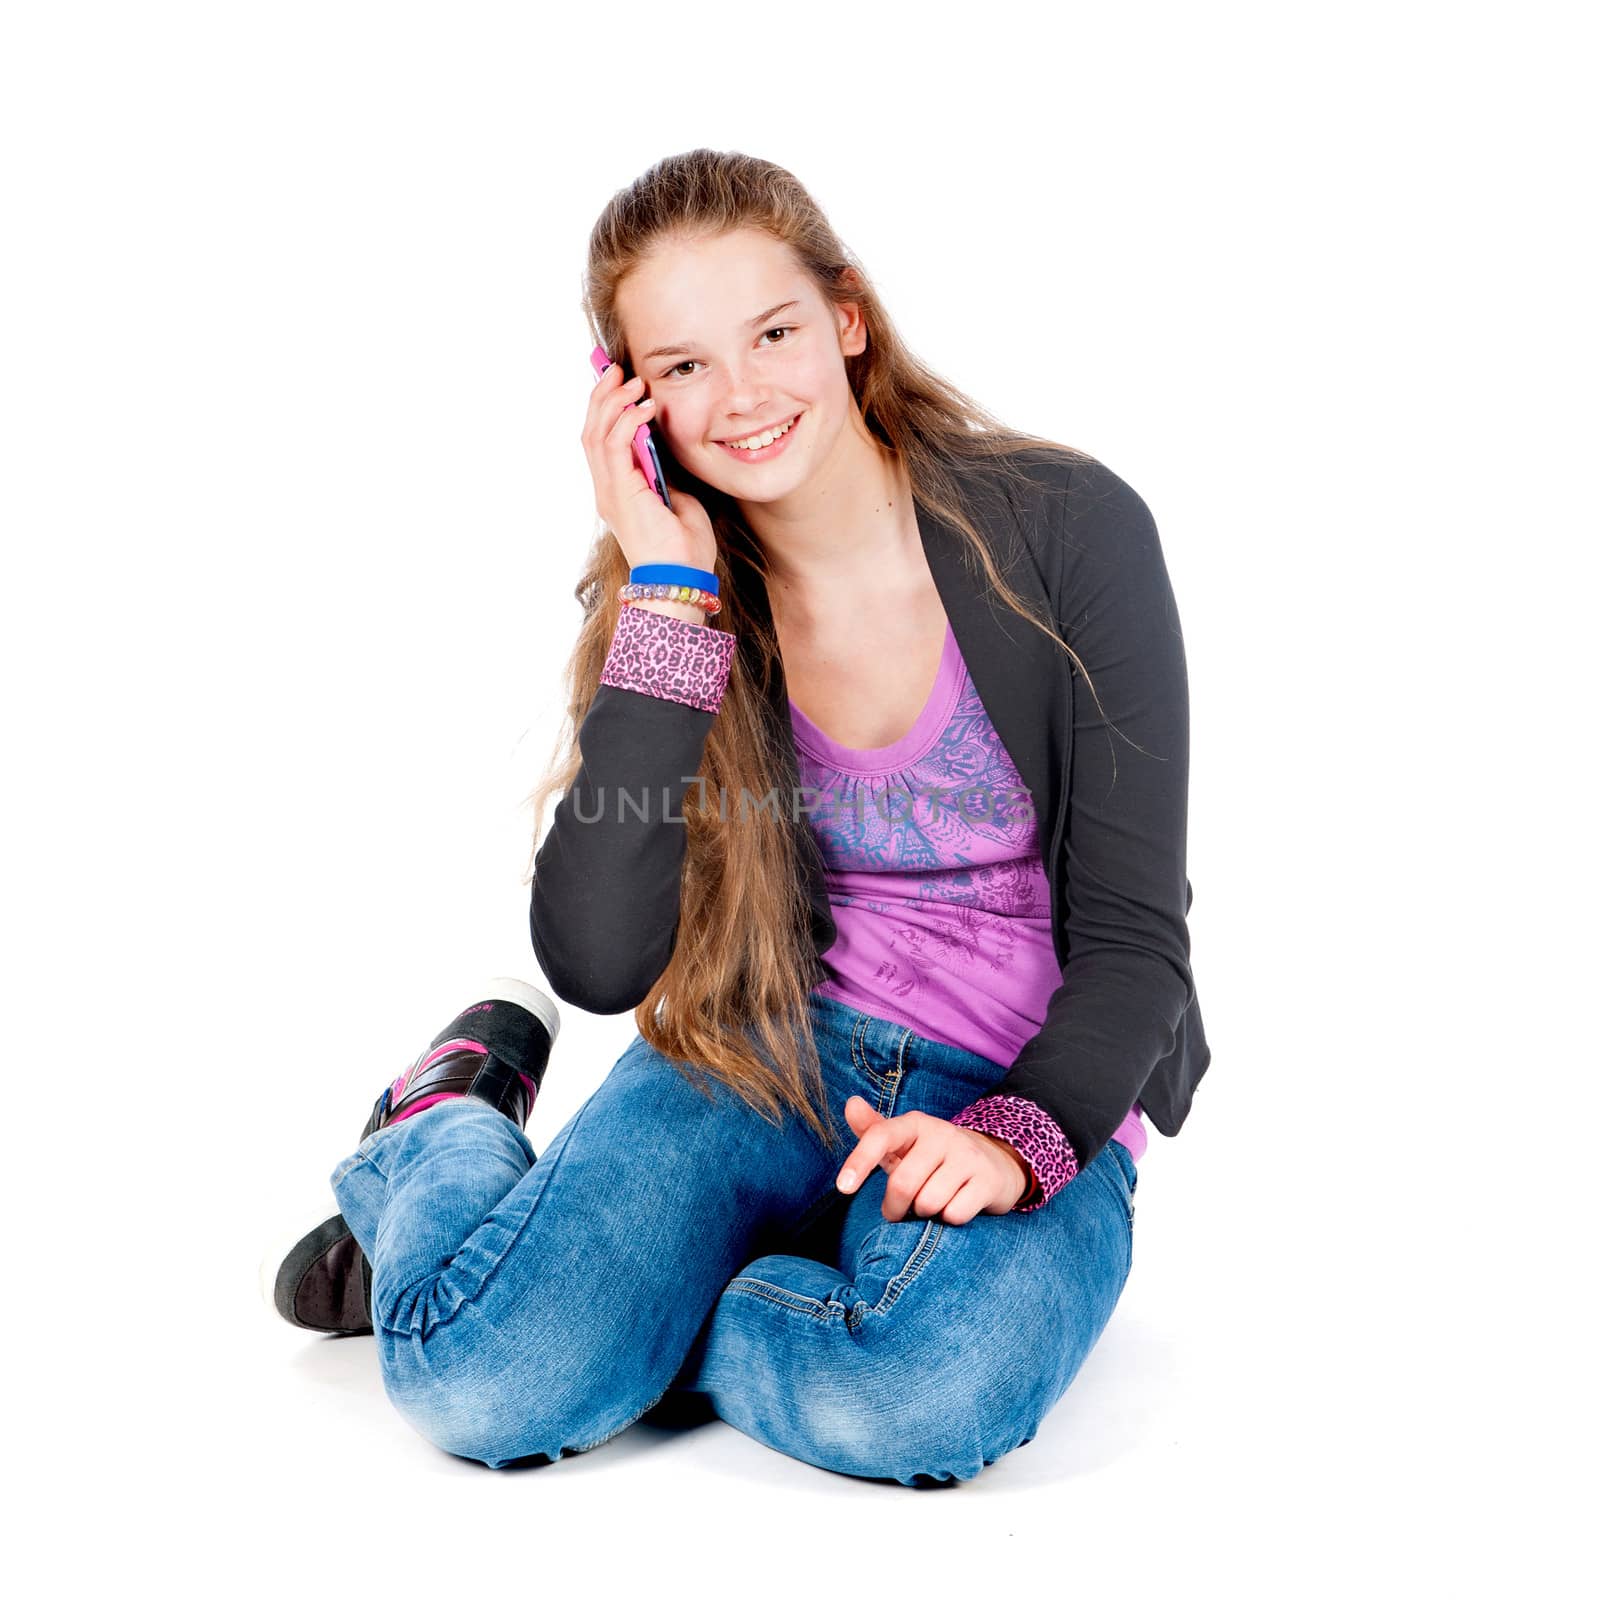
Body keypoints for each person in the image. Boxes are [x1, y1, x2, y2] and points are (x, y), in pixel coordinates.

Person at [261, 147, 1211, 1484]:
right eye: (687, 366)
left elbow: (1135, 942)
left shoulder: (1067, 529)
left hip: (1021, 1083)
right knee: (480, 1379)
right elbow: (598, 962)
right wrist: (663, 595)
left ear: (847, 320)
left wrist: (1016, 1141)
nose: (745, 394)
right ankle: (443, 1130)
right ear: (631, 404)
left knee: (921, 1397)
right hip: (762, 1056)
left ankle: (647, 1317)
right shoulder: (673, 606)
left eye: (771, 333)